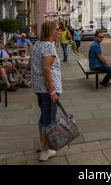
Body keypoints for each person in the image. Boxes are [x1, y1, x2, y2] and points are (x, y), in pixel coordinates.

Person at [28, 21, 63, 162]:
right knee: (50, 119)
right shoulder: (48, 47)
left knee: (44, 116)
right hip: (48, 88)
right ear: (50, 31)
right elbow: (47, 70)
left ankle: (42, 143)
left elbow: (31, 63)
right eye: (56, 29)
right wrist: (52, 92)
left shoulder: (37, 44)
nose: (59, 31)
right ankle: (45, 151)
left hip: (39, 87)